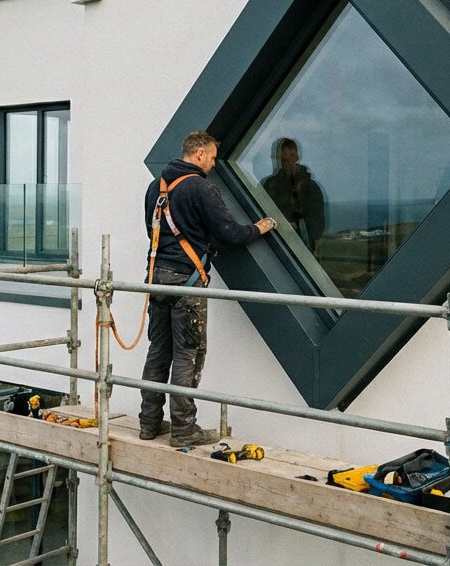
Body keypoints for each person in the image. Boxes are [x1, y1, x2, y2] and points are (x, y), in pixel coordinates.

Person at [140, 131, 276, 447]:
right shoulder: (201, 189)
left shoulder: (155, 187)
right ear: (200, 153)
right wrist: (261, 227)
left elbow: (153, 231)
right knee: (188, 354)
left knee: (159, 352)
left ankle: (149, 424)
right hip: (188, 282)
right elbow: (231, 233)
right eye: (213, 157)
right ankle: (184, 431)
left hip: (157, 279)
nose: (214, 164)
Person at [261, 137, 327, 253]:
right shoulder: (271, 185)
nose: (283, 163)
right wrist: (283, 224)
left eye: (286, 159)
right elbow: (264, 214)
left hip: (304, 247)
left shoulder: (309, 187)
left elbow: (317, 221)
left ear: (296, 157)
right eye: (281, 160)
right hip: (277, 244)